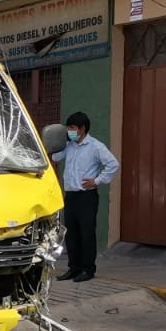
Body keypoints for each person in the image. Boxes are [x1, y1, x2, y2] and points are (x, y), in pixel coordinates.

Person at [51, 111, 120, 283]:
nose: (70, 131)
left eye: (72, 128)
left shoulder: (96, 146)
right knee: (72, 234)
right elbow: (55, 157)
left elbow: (113, 164)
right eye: (68, 128)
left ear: (82, 128)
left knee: (86, 233)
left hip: (86, 197)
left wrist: (97, 181)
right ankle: (73, 268)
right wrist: (62, 142)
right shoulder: (70, 145)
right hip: (71, 196)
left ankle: (88, 269)